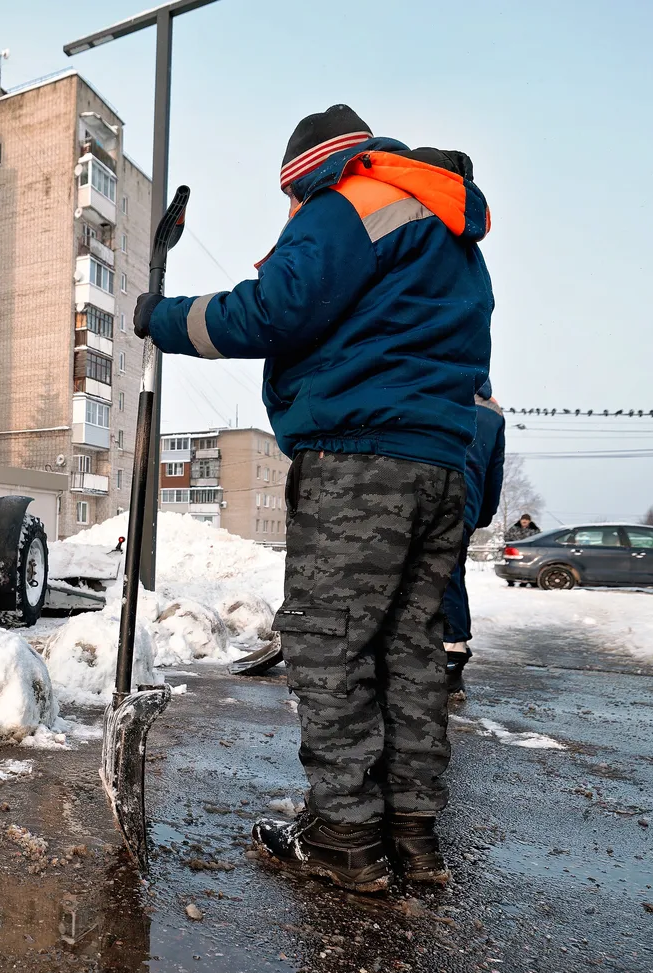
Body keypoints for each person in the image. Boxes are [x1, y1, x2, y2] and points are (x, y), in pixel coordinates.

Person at [133, 104, 493, 892]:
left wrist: (162, 319)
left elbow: (274, 309)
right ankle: (411, 832)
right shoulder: (447, 230)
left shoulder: (349, 203)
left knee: (331, 646)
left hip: (360, 461)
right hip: (440, 467)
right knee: (407, 647)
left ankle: (345, 836)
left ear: (305, 173)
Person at [442, 383, 506, 693]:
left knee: (434, 572)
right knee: (451, 572)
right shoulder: (493, 417)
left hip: (432, 493)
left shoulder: (439, 397)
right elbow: (495, 473)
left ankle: (450, 648)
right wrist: (481, 515)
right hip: (466, 504)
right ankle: (453, 649)